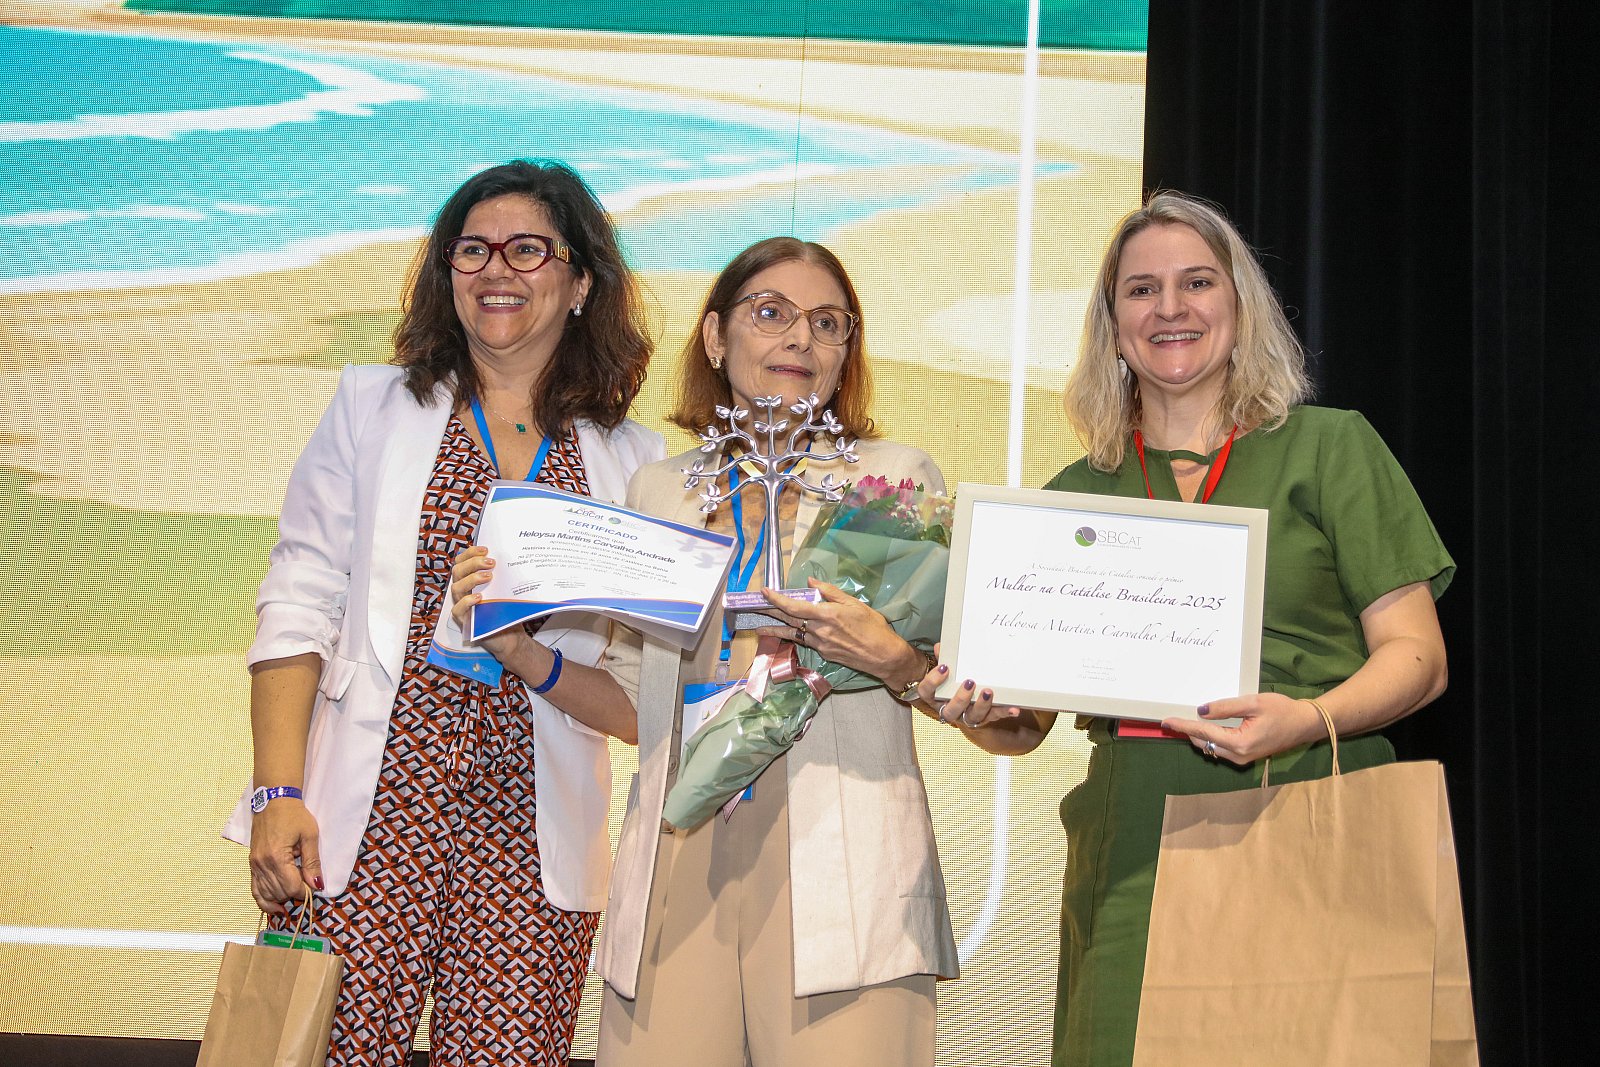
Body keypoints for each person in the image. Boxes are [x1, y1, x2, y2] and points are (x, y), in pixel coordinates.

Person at [920, 191, 1453, 1066]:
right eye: (1142, 290)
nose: (1170, 307)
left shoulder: (1331, 448)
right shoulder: (1072, 495)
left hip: (1313, 813)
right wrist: (973, 708)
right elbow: (1024, 724)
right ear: (1113, 326)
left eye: (1197, 282)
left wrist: (1306, 718)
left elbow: (1420, 657)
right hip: (1134, 843)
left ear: (1240, 307)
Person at [224, 159, 664, 1067]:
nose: (496, 269)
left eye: (528, 249)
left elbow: (642, 698)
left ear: (581, 282)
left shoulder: (634, 462)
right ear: (447, 272)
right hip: (368, 810)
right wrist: (276, 792)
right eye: (473, 250)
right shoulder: (371, 407)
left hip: (531, 826)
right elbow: (298, 600)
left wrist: (532, 652)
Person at [546, 236, 957, 1065]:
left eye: (828, 323)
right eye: (771, 313)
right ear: (714, 336)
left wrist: (899, 663)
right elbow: (633, 704)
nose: (800, 337)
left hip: (840, 852)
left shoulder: (893, 481)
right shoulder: (659, 490)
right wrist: (524, 650)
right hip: (681, 841)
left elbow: (950, 681)